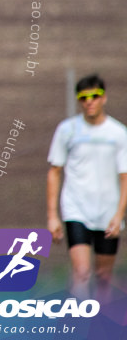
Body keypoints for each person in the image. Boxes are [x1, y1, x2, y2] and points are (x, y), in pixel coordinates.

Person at [47, 74, 127, 301]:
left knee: (104, 276)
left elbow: (125, 177)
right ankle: (77, 326)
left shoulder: (118, 133)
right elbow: (54, 171)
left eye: (94, 96)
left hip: (108, 211)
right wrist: (52, 216)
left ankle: (101, 326)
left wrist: (119, 214)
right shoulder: (67, 130)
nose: (89, 101)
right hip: (77, 209)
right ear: (78, 100)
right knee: (81, 273)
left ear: (104, 98)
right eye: (84, 97)